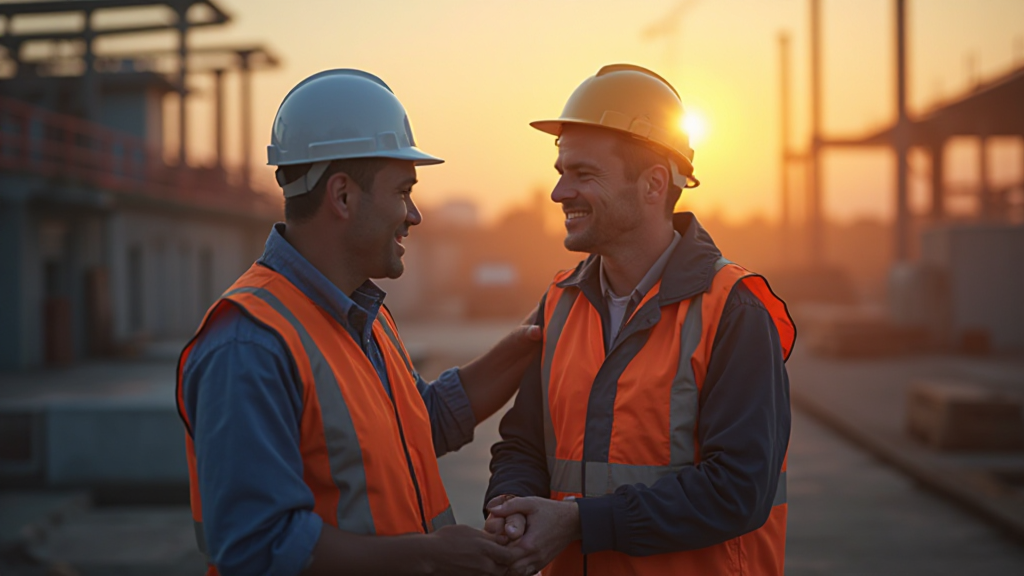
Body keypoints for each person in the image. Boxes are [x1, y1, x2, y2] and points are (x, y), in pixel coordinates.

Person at [176, 69, 535, 576]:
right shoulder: (250, 343)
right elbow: (258, 546)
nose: (414, 215)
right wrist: (432, 556)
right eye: (403, 190)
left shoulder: (362, 314)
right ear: (343, 196)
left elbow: (418, 425)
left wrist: (529, 343)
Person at [484, 64, 797, 576]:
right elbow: (524, 443)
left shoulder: (733, 311)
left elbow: (739, 490)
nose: (559, 193)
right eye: (561, 172)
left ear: (653, 184)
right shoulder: (560, 303)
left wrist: (580, 522)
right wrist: (511, 507)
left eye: (583, 174)